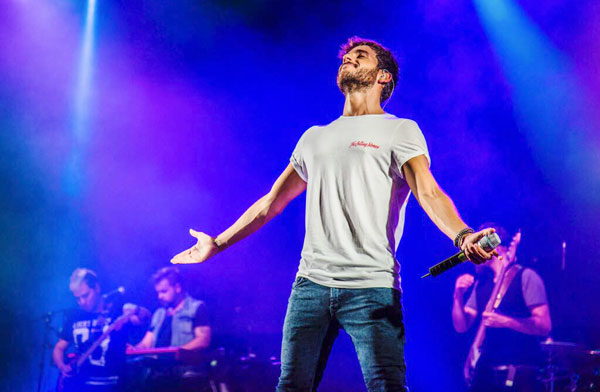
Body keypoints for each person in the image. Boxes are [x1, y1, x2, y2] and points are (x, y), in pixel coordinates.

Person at [171, 36, 498, 391]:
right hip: (309, 286)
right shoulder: (314, 137)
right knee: (291, 386)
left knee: (387, 386)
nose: (348, 59)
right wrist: (218, 243)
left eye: (361, 55)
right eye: (346, 57)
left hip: (371, 285)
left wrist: (463, 235)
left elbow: (427, 191)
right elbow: (270, 204)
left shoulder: (400, 130)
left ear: (383, 76)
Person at [452, 224, 551, 391]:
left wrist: (505, 322)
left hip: (518, 373)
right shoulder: (481, 284)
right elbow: (461, 326)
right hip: (485, 373)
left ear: (494, 246)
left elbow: (544, 325)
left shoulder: (526, 277)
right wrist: (457, 296)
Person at [53, 268, 150, 392]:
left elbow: (146, 318)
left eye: (85, 296)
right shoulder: (74, 317)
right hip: (81, 386)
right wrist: (62, 366)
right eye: (78, 298)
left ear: (97, 288)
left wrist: (136, 309)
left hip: (113, 385)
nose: (82, 302)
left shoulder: (116, 312)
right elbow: (59, 348)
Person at [134, 266, 211, 392]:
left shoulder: (196, 307)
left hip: (186, 377)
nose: (160, 296)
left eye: (164, 291)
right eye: (158, 292)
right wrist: (135, 349)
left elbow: (203, 339)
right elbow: (147, 342)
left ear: (177, 287)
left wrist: (177, 351)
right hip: (158, 378)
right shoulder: (159, 314)